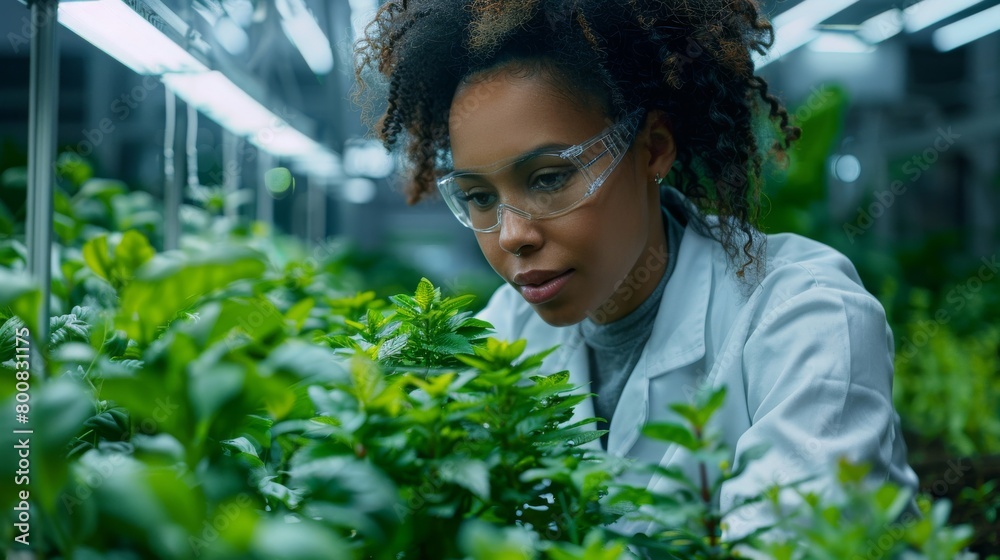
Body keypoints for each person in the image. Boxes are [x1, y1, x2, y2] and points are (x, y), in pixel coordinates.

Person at [354, 0, 919, 543]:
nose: (511, 235)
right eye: (479, 196)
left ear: (652, 148)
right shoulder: (504, 334)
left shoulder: (805, 317)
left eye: (550, 178)